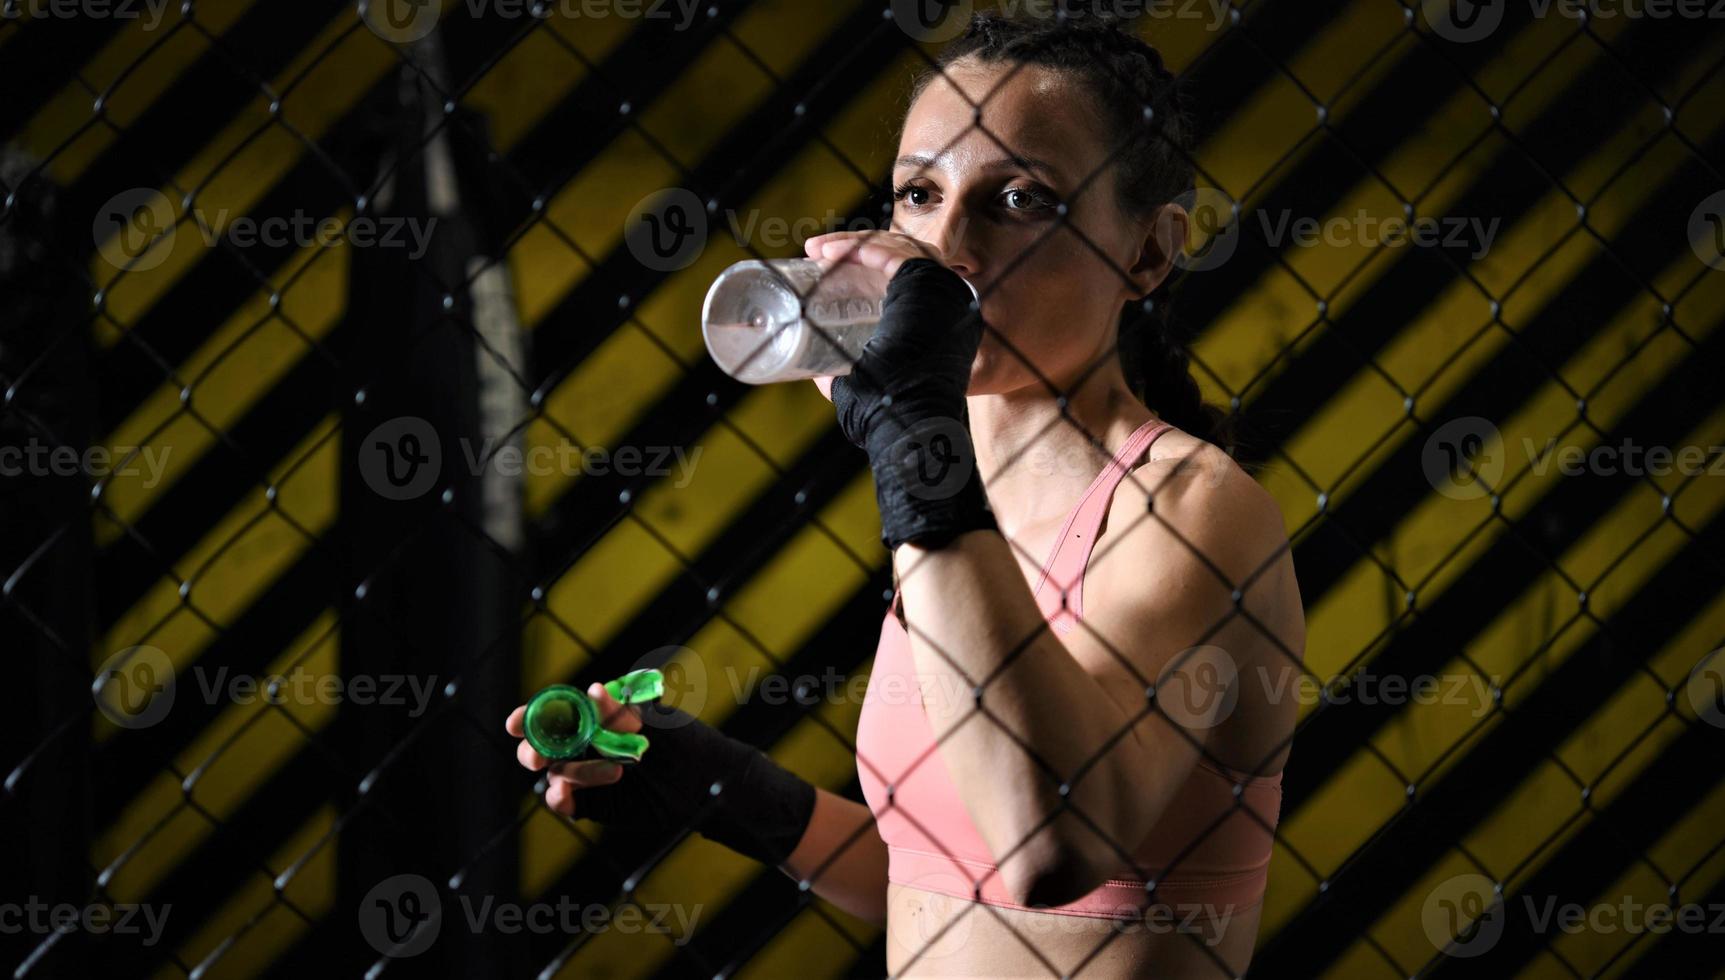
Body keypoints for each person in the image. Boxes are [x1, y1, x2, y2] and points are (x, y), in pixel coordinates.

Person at [507, 10, 1304, 977]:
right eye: (919, 194)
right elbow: (940, 882)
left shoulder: (1190, 508)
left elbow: (1051, 848)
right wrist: (721, 788)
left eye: (1020, 198)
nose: (950, 248)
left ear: (1145, 252)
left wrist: (911, 446)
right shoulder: (963, 502)